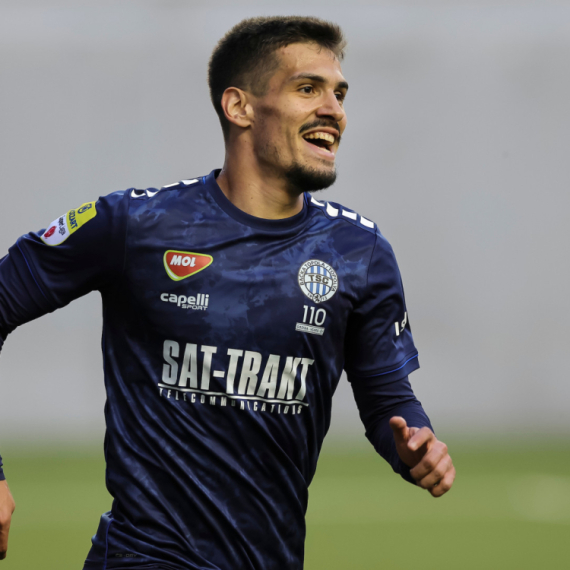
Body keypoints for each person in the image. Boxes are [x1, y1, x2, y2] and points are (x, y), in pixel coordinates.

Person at [0, 15, 455, 569]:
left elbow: (387, 400)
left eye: (339, 94)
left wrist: (416, 446)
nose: (333, 109)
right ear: (239, 107)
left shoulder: (359, 252)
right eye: (307, 88)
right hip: (145, 557)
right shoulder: (136, 225)